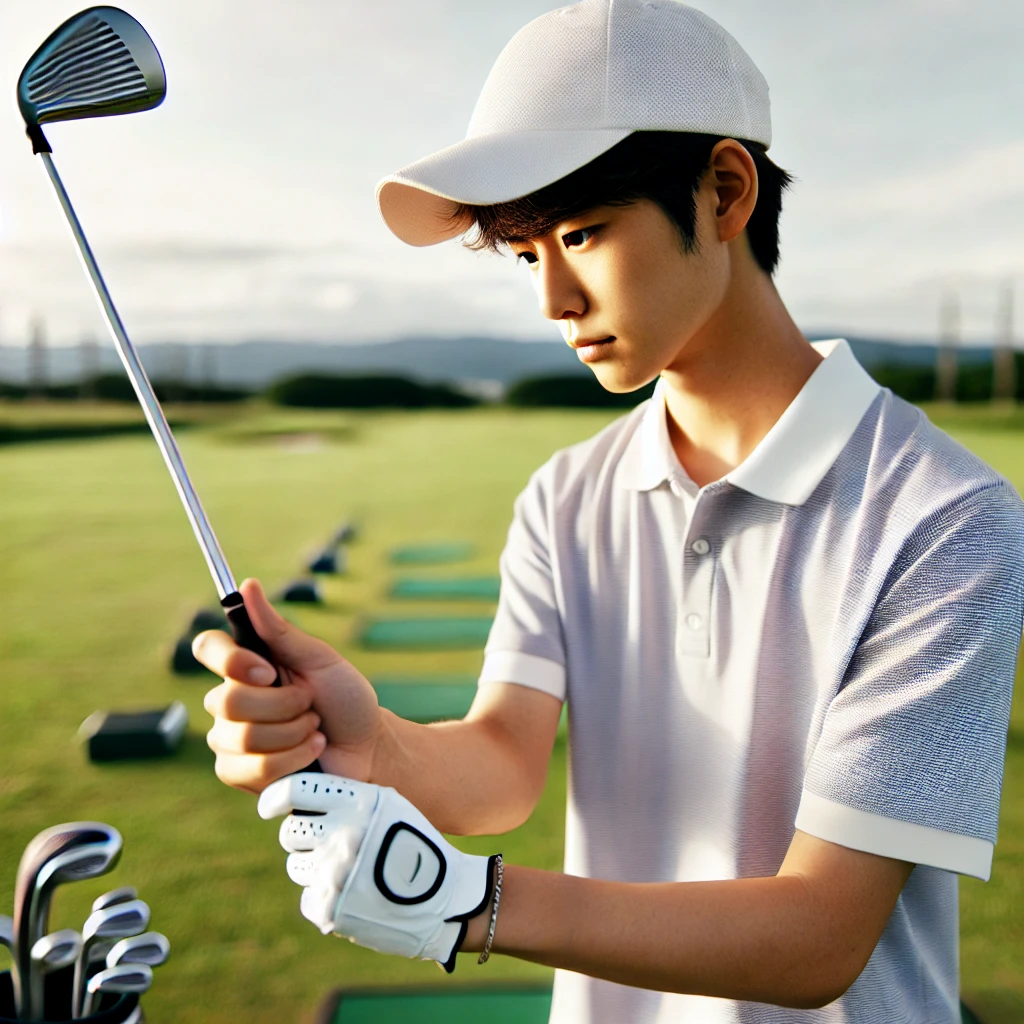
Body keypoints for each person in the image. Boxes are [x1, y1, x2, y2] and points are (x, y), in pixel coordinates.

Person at [194, 2, 1024, 1021]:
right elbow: (502, 767)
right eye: (523, 251)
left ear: (724, 192)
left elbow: (820, 935)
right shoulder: (566, 493)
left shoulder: (944, 517)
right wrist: (369, 744)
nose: (552, 300)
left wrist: (465, 898)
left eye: (581, 234)